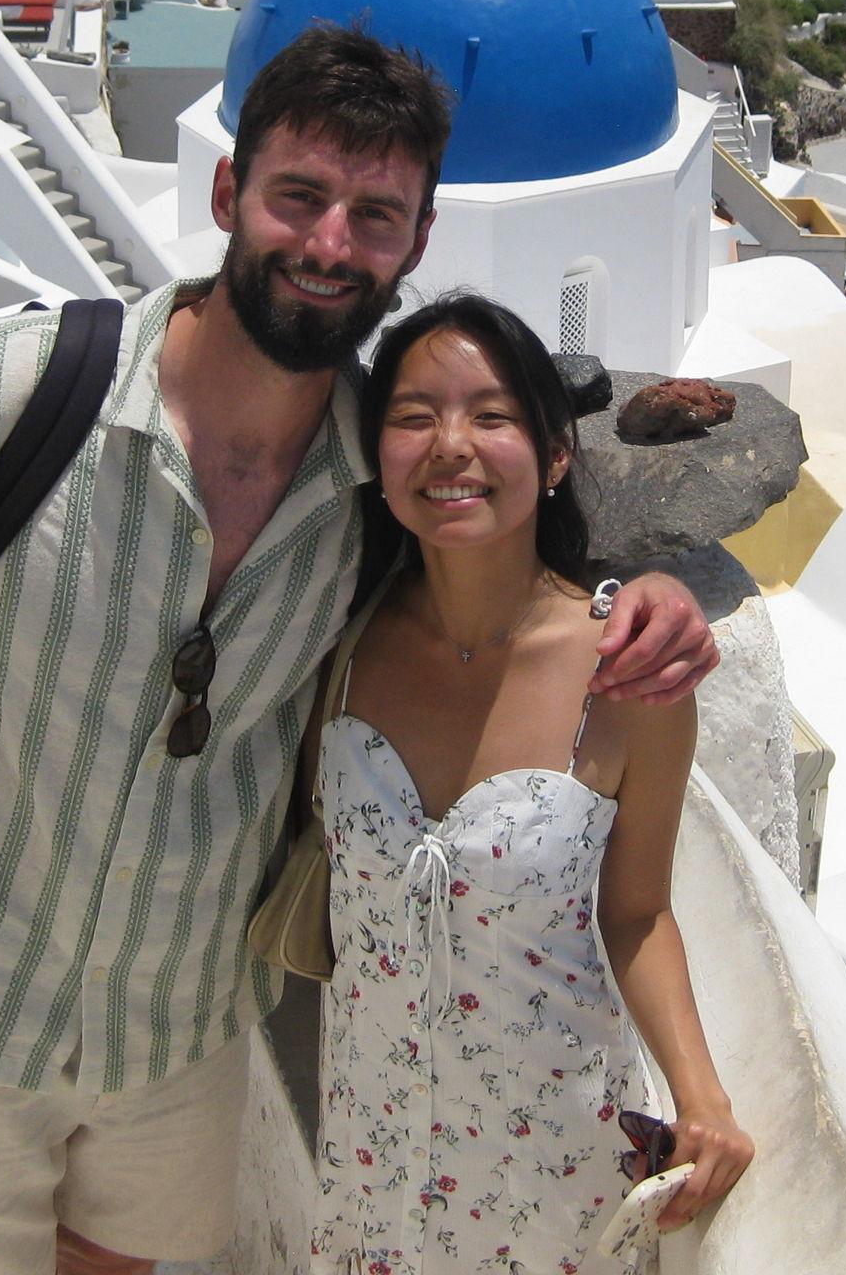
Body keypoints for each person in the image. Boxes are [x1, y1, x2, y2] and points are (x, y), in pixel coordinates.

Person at [0, 24, 719, 1275]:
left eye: (375, 213)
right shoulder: (9, 388)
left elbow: (504, 583)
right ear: (230, 191)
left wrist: (639, 587)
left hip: (175, 1043)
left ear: (417, 238)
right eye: (300, 195)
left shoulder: (372, 486)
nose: (331, 243)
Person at [313, 294, 753, 1268]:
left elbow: (636, 911)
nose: (451, 443)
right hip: (371, 1175)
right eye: (414, 415)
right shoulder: (336, 638)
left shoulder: (625, 673)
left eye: (492, 415)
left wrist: (702, 1096)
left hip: (547, 1189)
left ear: (556, 454)